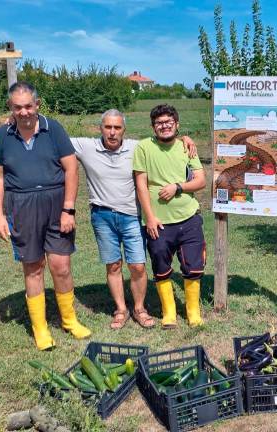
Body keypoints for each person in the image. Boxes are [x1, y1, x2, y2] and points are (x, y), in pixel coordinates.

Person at [71, 109, 198, 330]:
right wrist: (19, 121)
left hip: (131, 215)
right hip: (101, 215)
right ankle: (121, 309)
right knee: (113, 265)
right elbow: (55, 137)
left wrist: (185, 138)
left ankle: (139, 308)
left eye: (117, 128)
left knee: (138, 266)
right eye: (107, 127)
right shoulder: (86, 147)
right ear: (100, 128)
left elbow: (165, 137)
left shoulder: (136, 147)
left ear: (124, 130)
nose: (112, 132)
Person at [0, 81, 91, 350]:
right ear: (10, 107)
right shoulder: (2, 135)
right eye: (17, 107)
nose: (23, 112)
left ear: (37, 105)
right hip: (21, 206)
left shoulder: (53, 128)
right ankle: (41, 328)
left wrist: (68, 209)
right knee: (33, 267)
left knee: (61, 266)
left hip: (56, 203)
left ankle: (69, 320)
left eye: (28, 106)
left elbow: (71, 169)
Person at [133, 104, 207, 329]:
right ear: (153, 127)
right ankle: (169, 313)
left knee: (194, 266)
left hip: (188, 217)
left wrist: (178, 187)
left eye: (168, 122)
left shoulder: (187, 148)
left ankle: (193, 312)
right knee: (161, 266)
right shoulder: (143, 147)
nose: (164, 126)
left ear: (177, 124)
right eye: (159, 123)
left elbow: (201, 181)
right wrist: (150, 217)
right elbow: (141, 185)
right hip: (159, 222)